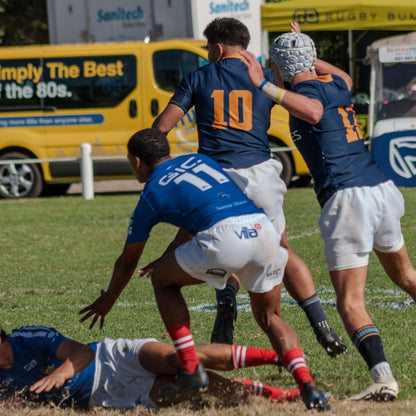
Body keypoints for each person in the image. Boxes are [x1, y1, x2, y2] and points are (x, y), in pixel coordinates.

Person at [78, 128, 328, 410]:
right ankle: (309, 387)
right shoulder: (200, 160)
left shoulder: (150, 193)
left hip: (224, 238)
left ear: (137, 161)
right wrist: (169, 255)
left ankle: (190, 369)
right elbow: (197, 212)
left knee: (162, 280)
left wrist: (109, 298)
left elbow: (127, 262)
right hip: (261, 229)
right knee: (270, 317)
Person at [151, 17, 347, 358]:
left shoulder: (198, 77)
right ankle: (321, 324)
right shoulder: (268, 77)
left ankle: (226, 304)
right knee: (281, 249)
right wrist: (303, 50)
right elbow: (320, 87)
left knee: (225, 245)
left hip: (215, 179)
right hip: (259, 173)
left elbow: (161, 128)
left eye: (207, 48)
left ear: (217, 47)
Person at [240, 21, 416, 401]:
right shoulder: (334, 84)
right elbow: (343, 77)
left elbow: (314, 112)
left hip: (349, 198)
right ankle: (382, 376)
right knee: (406, 277)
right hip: (380, 188)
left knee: (350, 303)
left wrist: (264, 84)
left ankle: (383, 378)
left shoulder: (303, 93)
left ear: (280, 68)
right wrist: (305, 49)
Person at [0, 324, 302, 409]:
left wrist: (59, 374)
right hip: (107, 393)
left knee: (179, 359)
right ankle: (265, 392)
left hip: (111, 357)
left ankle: (276, 356)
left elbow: (82, 353)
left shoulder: (28, 336)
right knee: (196, 386)